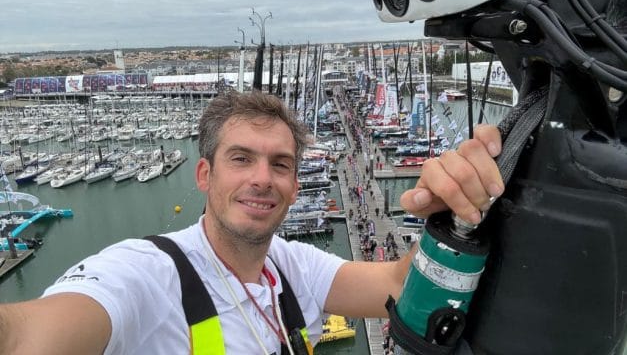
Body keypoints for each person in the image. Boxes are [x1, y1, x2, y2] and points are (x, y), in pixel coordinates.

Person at [0, 92, 503, 354]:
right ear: (204, 174)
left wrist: (454, 211)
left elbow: (397, 283)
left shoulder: (290, 266)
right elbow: (26, 338)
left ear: (295, 183)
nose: (263, 179)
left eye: (280, 164)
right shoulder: (143, 274)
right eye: (241, 159)